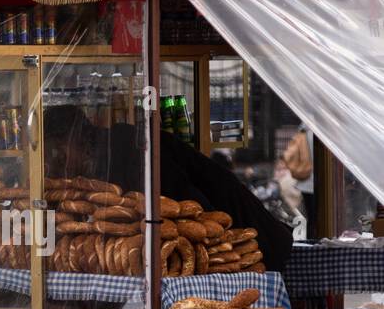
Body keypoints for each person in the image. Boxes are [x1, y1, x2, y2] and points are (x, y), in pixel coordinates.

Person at [44, 105, 294, 272]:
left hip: (256, 248)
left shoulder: (130, 152)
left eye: (58, 153)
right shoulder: (110, 157)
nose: (55, 165)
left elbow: (196, 214)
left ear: (78, 139)